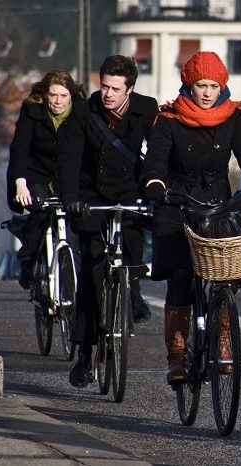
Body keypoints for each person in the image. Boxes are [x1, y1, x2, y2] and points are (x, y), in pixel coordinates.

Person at [141, 51, 241, 385]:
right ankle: (177, 353)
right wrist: (155, 184)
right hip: (176, 203)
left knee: (227, 276)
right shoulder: (169, 119)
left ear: (222, 87)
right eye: (201, 85)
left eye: (213, 86)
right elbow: (155, 162)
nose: (207, 93)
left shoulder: (232, 118)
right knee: (180, 275)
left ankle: (223, 337)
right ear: (189, 85)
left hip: (216, 205)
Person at [59, 55, 158, 388]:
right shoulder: (84, 112)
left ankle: (134, 292)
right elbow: (70, 157)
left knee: (132, 236)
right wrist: (70, 196)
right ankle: (85, 355)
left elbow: (157, 152)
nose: (108, 94)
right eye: (104, 86)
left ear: (130, 89)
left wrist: (156, 185)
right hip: (91, 195)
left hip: (128, 189)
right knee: (91, 272)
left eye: (116, 89)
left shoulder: (146, 109)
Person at [6, 70, 86, 289]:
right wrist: (20, 183)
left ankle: (74, 278)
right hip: (35, 174)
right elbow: (20, 148)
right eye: (53, 95)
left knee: (74, 221)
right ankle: (28, 261)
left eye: (63, 96)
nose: (58, 101)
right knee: (41, 212)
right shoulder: (33, 111)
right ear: (45, 95)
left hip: (67, 177)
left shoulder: (81, 112)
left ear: (72, 96)